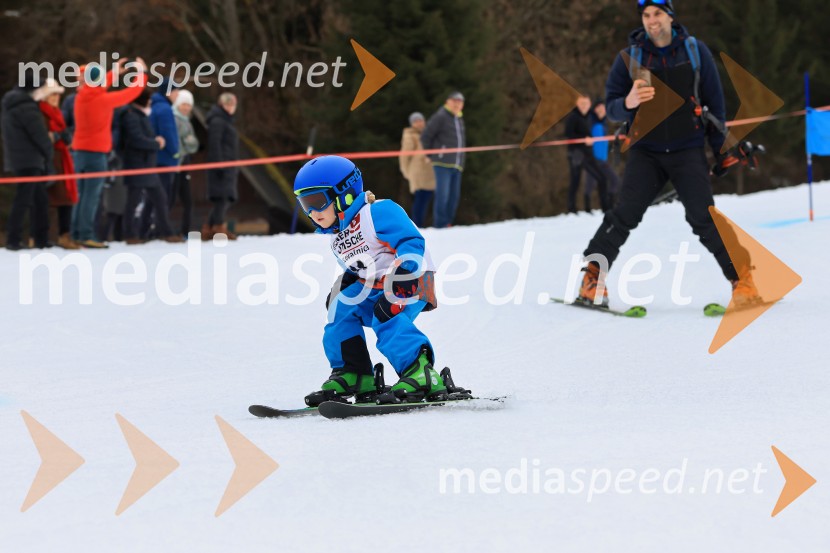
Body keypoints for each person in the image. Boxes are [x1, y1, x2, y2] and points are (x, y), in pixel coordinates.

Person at [577, 0, 758, 307]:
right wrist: (630, 101)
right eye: (646, 15)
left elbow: (715, 105)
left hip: (687, 149)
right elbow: (611, 107)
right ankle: (592, 278)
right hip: (645, 151)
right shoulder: (629, 57)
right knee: (624, 214)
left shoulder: (694, 51)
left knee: (704, 217)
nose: (652, 21)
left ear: (670, 16)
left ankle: (743, 281)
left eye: (658, 14)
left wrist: (721, 149)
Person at [293, 155, 445, 406]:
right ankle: (354, 373)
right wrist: (347, 282)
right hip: (374, 284)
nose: (312, 212)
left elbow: (411, 241)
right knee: (339, 310)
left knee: (387, 313)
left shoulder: (378, 212)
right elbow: (361, 263)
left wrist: (405, 271)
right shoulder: (336, 234)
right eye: (304, 204)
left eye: (317, 202)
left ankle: (421, 373)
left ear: (345, 195)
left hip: (412, 277)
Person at [71, 57, 148, 248]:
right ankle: (87, 234)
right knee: (91, 196)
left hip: (79, 152)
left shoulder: (81, 96)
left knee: (80, 194)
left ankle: (77, 232)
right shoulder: (103, 100)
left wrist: (115, 71)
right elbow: (131, 92)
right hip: (95, 153)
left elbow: (97, 85)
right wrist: (142, 73)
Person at [119, 88, 182, 244]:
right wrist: (156, 143)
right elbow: (136, 139)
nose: (150, 101)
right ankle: (130, 234)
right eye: (147, 98)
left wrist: (153, 141)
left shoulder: (141, 115)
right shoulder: (131, 116)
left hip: (147, 165)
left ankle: (167, 232)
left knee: (160, 199)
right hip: (137, 165)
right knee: (133, 201)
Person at [2, 75, 54, 250]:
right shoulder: (26, 108)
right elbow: (40, 136)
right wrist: (49, 153)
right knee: (25, 199)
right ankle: (14, 239)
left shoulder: (11, 104)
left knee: (39, 199)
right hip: (30, 160)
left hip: (19, 159)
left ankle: (40, 238)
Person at [36, 78, 80, 249]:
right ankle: (41, 236)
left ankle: (64, 235)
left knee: (66, 198)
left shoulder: (57, 112)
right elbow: (45, 137)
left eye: (57, 94)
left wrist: (63, 135)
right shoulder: (41, 112)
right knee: (47, 199)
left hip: (62, 158)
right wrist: (58, 136)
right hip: (49, 160)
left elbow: (62, 133)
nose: (55, 97)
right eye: (52, 94)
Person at [421, 91, 466, 228]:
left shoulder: (459, 119)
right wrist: (430, 154)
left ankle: (448, 223)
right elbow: (426, 136)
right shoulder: (441, 116)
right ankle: (440, 225)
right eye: (454, 101)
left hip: (457, 165)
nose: (457, 104)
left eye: (460, 102)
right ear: (448, 102)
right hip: (442, 163)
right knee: (443, 196)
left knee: (454, 197)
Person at [144, 77, 181, 237]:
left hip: (154, 159)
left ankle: (144, 229)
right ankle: (160, 230)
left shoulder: (154, 106)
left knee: (153, 198)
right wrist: (175, 152)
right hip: (164, 159)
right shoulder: (165, 109)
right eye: (176, 91)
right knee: (162, 197)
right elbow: (169, 134)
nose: (177, 94)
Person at [203, 92, 239, 241]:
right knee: (223, 197)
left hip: (228, 163)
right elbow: (215, 144)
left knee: (225, 197)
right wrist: (219, 165)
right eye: (227, 104)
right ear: (221, 105)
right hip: (222, 164)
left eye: (232, 105)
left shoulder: (226, 121)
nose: (230, 107)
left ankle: (210, 227)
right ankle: (218, 226)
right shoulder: (218, 121)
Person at [564, 95, 609, 213]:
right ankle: (571, 209)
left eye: (586, 104)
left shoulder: (590, 116)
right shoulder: (573, 117)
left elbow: (600, 120)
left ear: (590, 105)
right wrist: (584, 138)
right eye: (582, 104)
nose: (584, 106)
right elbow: (568, 134)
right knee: (575, 180)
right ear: (577, 104)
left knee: (602, 178)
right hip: (576, 153)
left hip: (588, 153)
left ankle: (606, 208)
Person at [399, 111, 436, 227]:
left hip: (430, 173)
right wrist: (406, 171)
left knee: (427, 199)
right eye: (416, 121)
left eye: (421, 120)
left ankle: (424, 224)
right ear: (412, 124)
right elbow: (405, 155)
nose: (419, 123)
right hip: (418, 173)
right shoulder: (410, 135)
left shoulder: (428, 134)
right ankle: (417, 225)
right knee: (421, 200)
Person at [584, 99, 621, 210]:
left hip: (601, 158)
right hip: (594, 158)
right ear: (595, 109)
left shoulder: (603, 123)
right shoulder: (590, 121)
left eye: (603, 109)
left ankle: (593, 208)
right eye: (599, 108)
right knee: (613, 180)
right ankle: (608, 206)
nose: (602, 111)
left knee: (592, 183)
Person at [172, 89, 200, 237]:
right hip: (176, 164)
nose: (186, 107)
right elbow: (181, 143)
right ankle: (166, 230)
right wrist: (187, 143)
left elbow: (194, 145)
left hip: (185, 165)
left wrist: (189, 142)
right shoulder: (175, 119)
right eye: (183, 104)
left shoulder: (187, 121)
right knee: (170, 199)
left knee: (187, 200)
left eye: (189, 105)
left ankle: (185, 231)